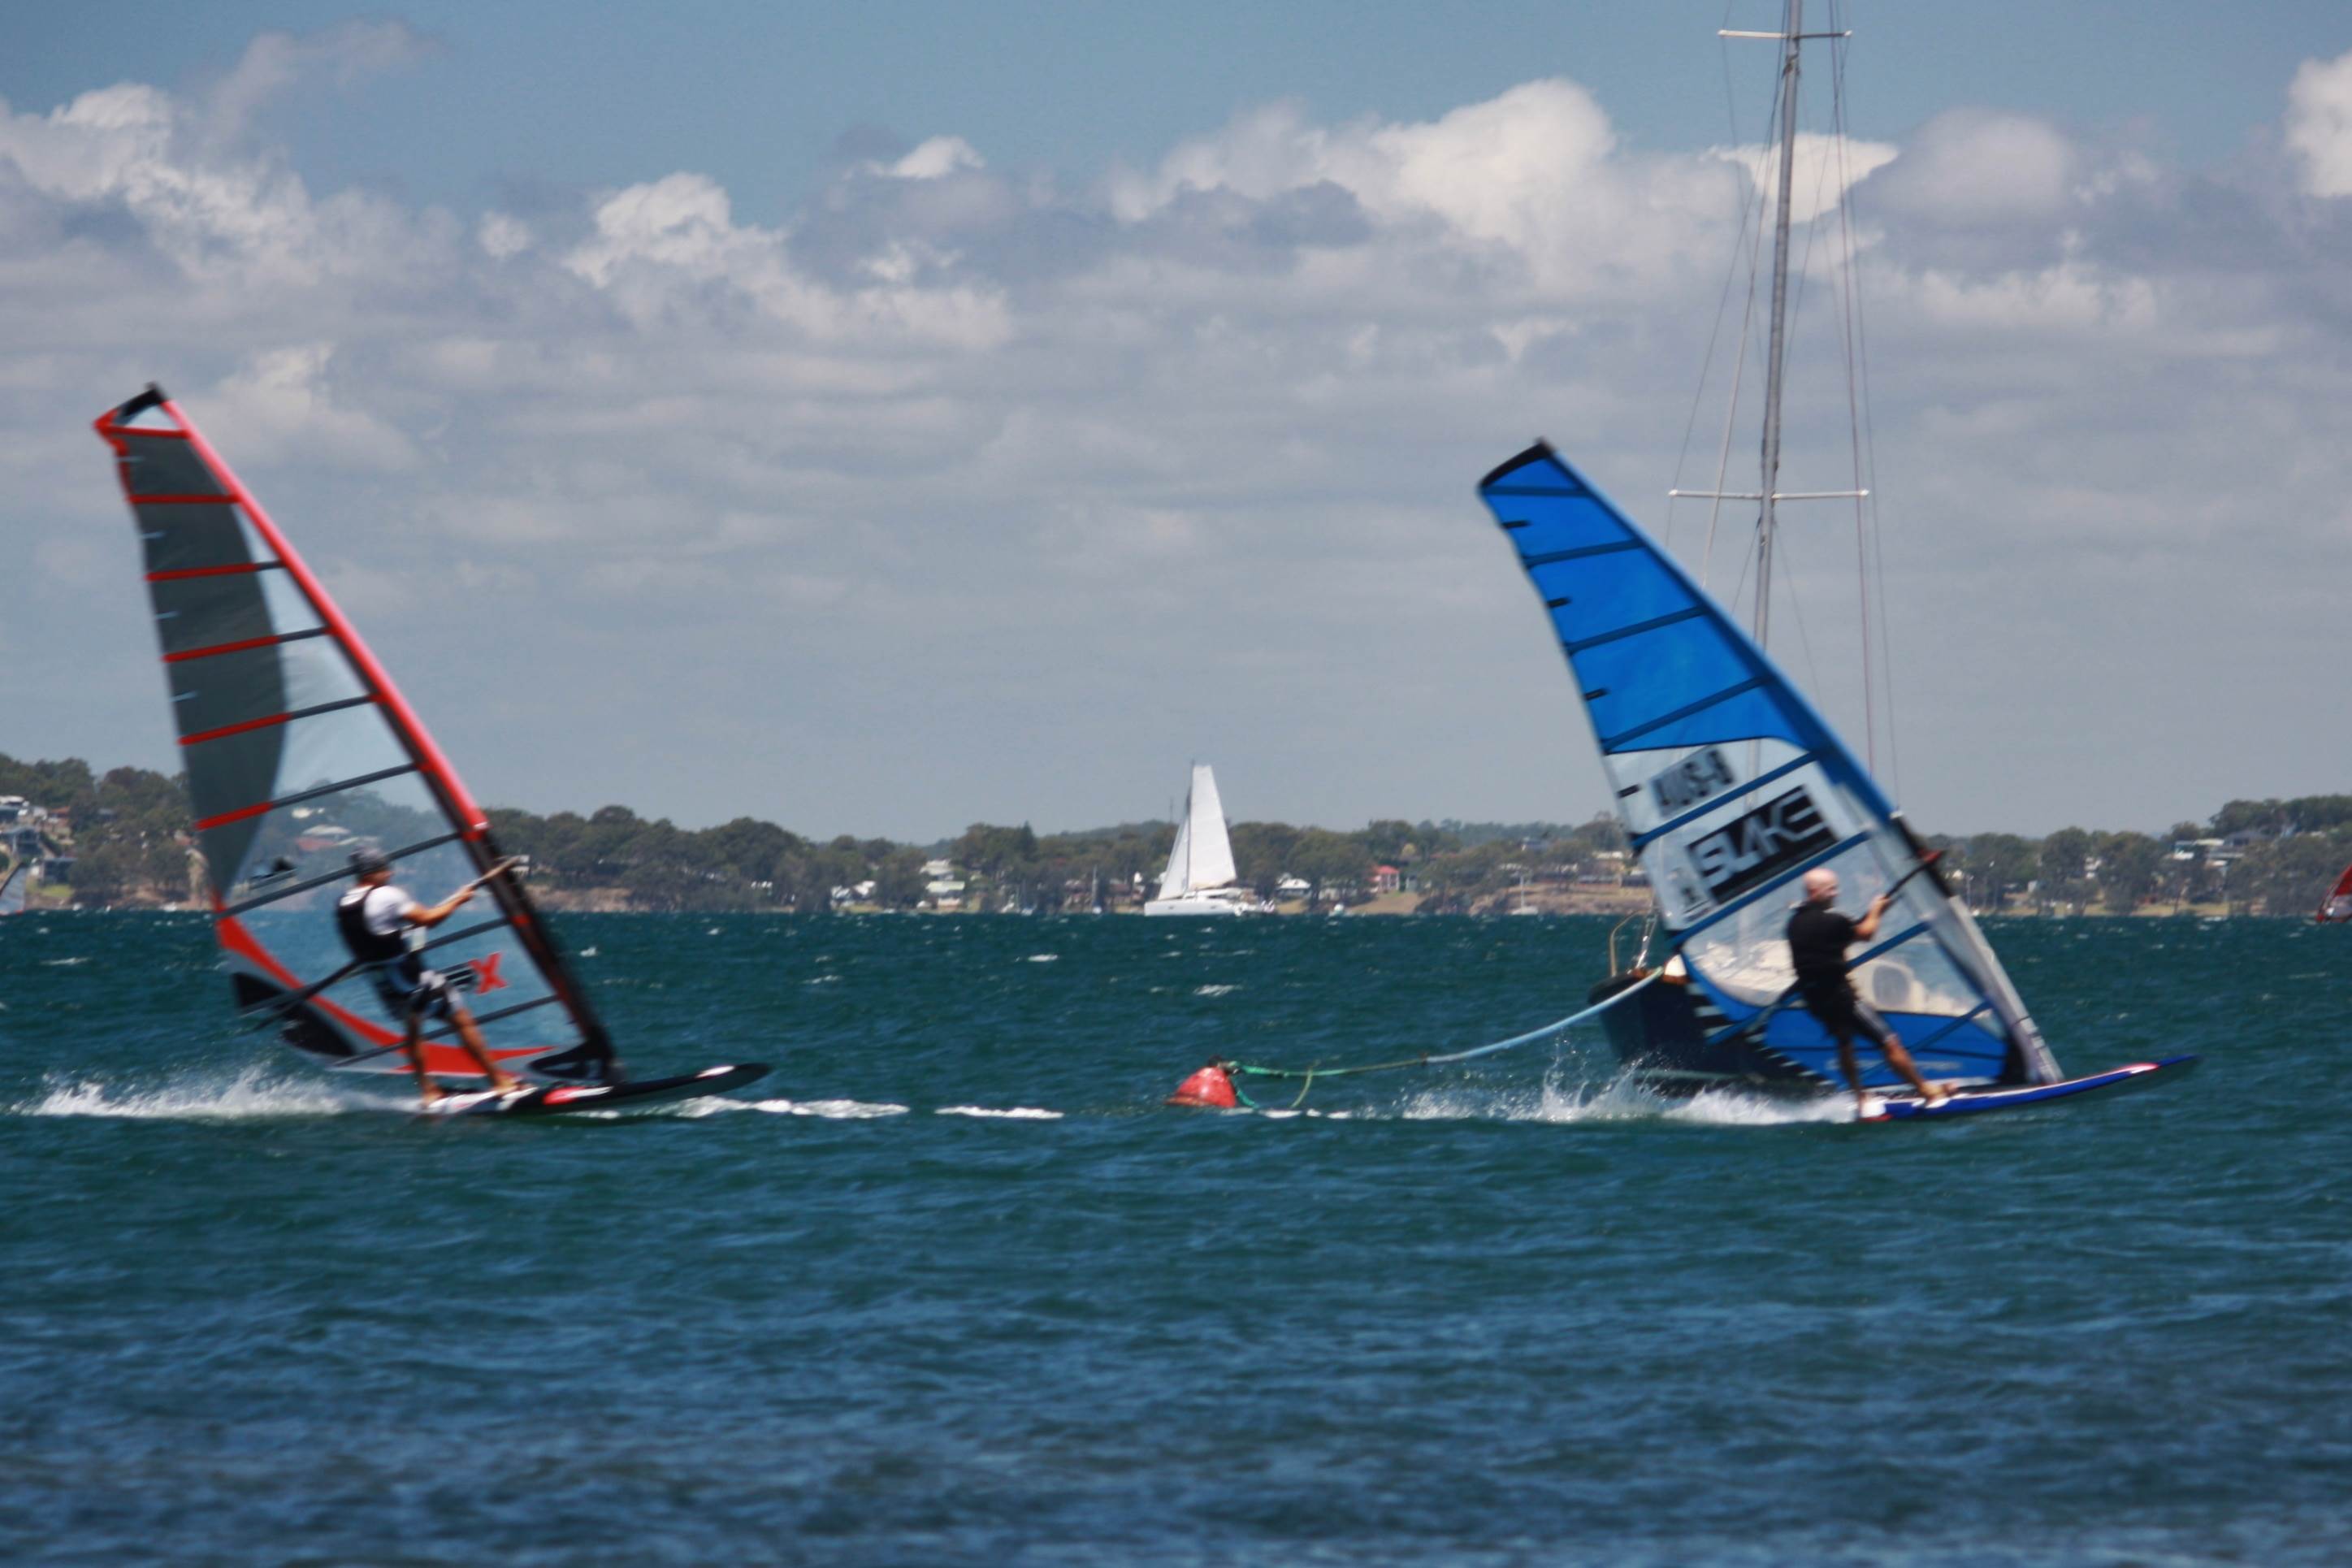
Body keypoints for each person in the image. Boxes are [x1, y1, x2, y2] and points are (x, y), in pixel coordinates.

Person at [336, 848, 523, 1103]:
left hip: (381, 981)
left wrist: (400, 929)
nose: (389, 874)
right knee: (461, 1019)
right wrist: (460, 900)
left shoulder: (345, 903)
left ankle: (428, 1090)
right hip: (407, 975)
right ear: (372, 873)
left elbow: (373, 934)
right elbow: (429, 919)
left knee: (413, 1031)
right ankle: (499, 1081)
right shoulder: (387, 895)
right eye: (385, 870)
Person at [1785, 867, 1951, 1115]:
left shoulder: (1795, 923)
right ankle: (1925, 1090)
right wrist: (1877, 909)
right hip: (1841, 997)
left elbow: (1834, 940)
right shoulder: (1833, 920)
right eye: (1831, 889)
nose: (1836, 893)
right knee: (1889, 1042)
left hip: (1815, 999)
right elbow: (1866, 933)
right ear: (1814, 891)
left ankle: (1859, 1097)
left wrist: (1865, 920)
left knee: (1845, 1044)